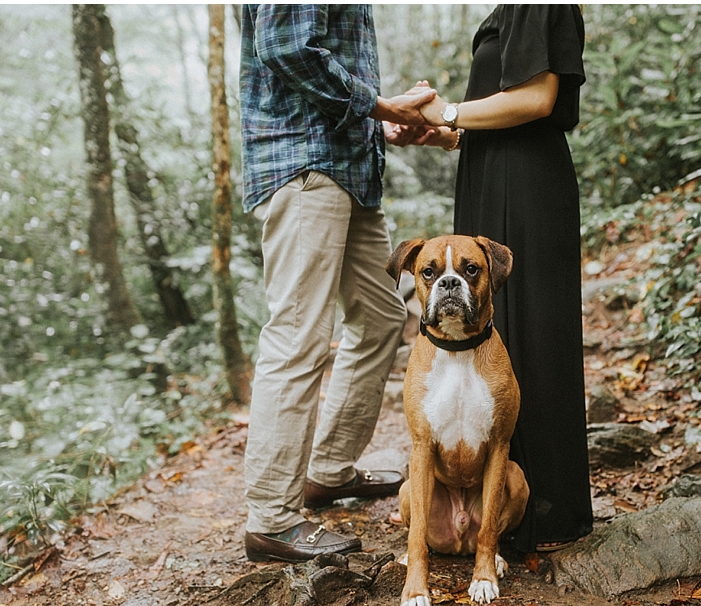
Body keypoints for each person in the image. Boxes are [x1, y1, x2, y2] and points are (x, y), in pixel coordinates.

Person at [238, 4, 438, 563]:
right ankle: (271, 521)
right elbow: (283, 46)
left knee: (379, 319)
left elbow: (322, 63)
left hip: (348, 168)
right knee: (298, 334)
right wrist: (377, 104)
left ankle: (327, 471)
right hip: (304, 167)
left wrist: (382, 119)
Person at [402, 5, 593, 553]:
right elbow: (503, 115)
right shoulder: (503, 10)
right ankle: (489, 511)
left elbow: (538, 99)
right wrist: (442, 132)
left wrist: (450, 108)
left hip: (529, 184)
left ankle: (540, 510)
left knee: (531, 330)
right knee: (486, 336)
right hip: (488, 174)